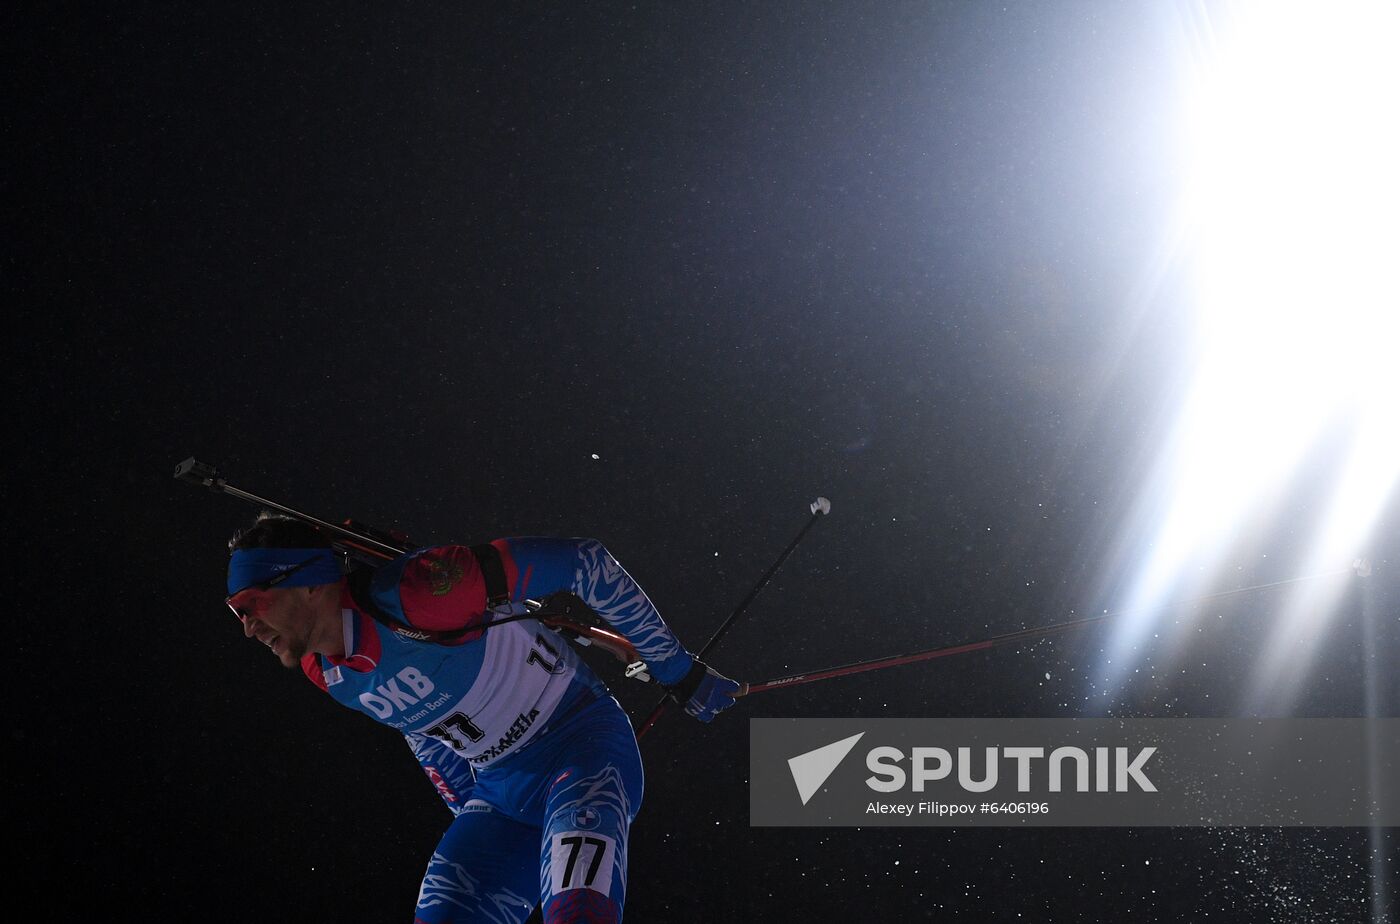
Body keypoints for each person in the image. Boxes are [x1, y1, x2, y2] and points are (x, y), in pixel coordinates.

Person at [224, 511, 741, 923]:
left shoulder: (420, 592)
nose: (248, 627)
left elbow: (586, 562)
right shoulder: (322, 670)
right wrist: (471, 816)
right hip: (500, 797)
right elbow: (420, 729)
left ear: (310, 583)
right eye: (236, 611)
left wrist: (678, 671)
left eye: (253, 603)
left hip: (583, 755)